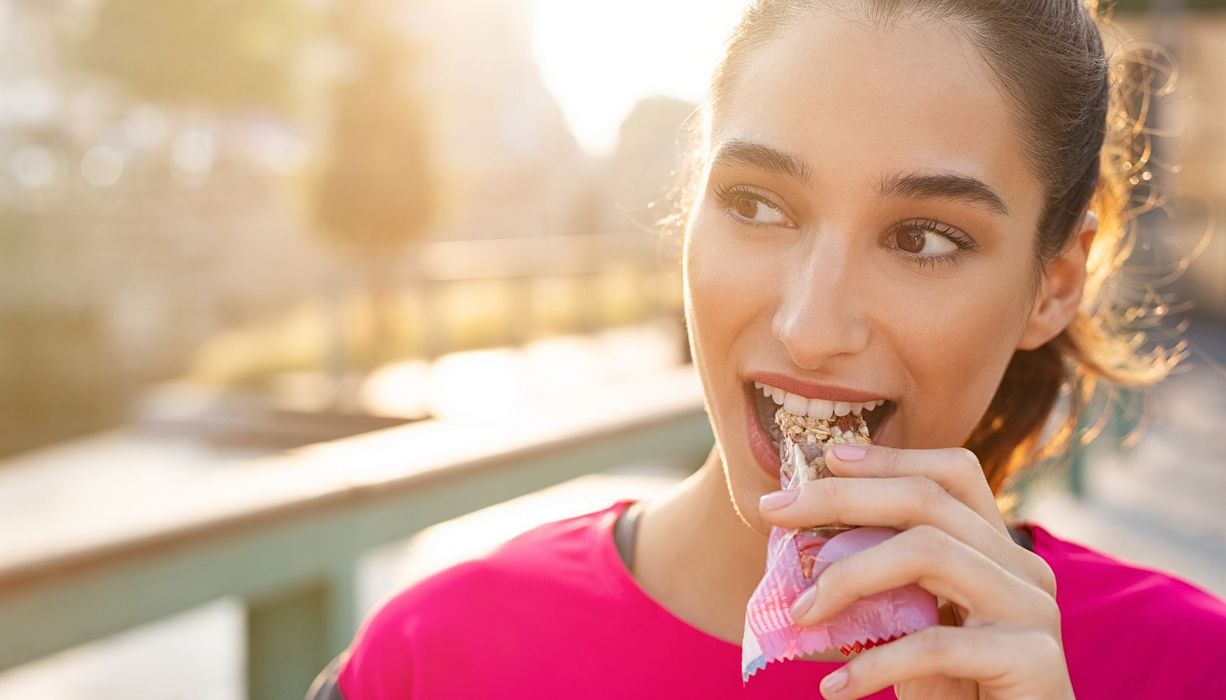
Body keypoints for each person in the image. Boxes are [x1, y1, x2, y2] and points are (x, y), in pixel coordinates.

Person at [309, 1, 1226, 698]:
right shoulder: (436, 657)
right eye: (756, 204)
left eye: (923, 238)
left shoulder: (1188, 667)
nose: (808, 325)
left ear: (1056, 282)